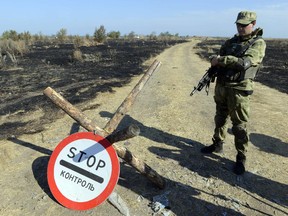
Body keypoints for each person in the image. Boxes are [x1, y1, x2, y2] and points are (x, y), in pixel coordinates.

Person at [200, 11, 266, 175]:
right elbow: (217, 57)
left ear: (253, 24)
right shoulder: (230, 42)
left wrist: (221, 60)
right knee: (220, 118)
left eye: (245, 25)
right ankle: (217, 144)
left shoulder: (258, 44)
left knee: (239, 126)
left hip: (239, 90)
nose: (241, 28)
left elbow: (244, 63)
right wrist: (214, 60)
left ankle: (240, 158)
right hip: (223, 86)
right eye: (239, 24)